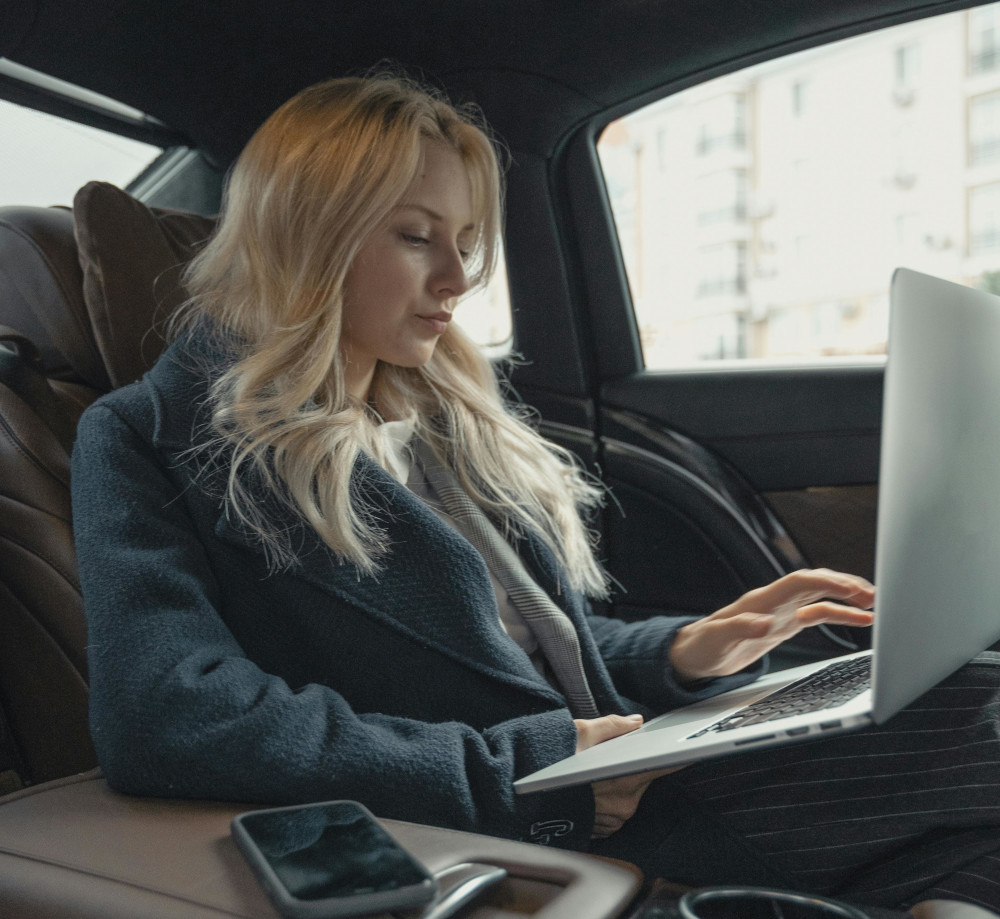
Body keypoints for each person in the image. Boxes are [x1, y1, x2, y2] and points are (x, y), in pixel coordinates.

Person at [71, 74, 1000, 913]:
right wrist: (523, 770)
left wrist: (685, 649)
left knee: (967, 697)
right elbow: (170, 714)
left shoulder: (433, 420)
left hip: (639, 755)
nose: (457, 279)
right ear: (306, 231)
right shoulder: (153, 436)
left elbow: (520, 643)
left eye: (466, 243)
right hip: (552, 811)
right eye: (415, 235)